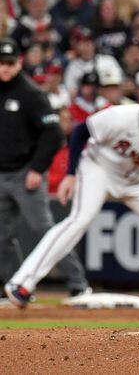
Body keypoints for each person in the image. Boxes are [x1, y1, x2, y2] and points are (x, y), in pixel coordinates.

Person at [5, 81, 139, 307]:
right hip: (99, 168)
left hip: (138, 178)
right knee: (78, 222)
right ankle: (22, 283)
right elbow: (81, 131)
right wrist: (70, 174)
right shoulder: (122, 117)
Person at [0, 39, 89, 298]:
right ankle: (15, 285)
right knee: (1, 236)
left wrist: (37, 169)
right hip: (1, 173)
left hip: (26, 173)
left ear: (18, 63)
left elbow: (52, 134)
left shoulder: (31, 93)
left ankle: (78, 283)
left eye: (9, 63)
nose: (5, 68)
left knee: (46, 230)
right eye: (1, 63)